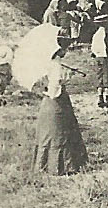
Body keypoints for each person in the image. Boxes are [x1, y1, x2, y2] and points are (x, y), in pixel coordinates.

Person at [31, 34, 87, 174]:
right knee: (59, 133)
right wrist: (65, 80)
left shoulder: (47, 62)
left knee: (49, 133)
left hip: (47, 104)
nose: (66, 51)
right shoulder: (55, 64)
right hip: (56, 102)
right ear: (58, 49)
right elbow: (54, 89)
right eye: (65, 48)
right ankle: (61, 166)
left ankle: (44, 164)